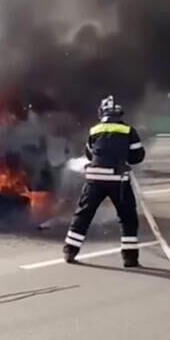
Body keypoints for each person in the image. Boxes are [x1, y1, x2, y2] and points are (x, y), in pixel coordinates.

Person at [64, 96, 145, 268]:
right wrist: (122, 157)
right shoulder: (128, 130)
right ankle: (129, 259)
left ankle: (70, 251)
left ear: (102, 112)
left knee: (83, 215)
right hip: (118, 181)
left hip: (95, 179)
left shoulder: (94, 130)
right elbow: (137, 156)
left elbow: (90, 154)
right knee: (127, 218)